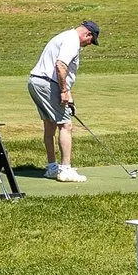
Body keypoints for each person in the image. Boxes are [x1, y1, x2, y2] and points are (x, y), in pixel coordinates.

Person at [28, 21, 98, 182]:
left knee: (50, 124)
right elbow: (60, 66)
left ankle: (52, 168)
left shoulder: (66, 36)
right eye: (91, 40)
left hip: (36, 82)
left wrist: (69, 97)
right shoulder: (72, 41)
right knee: (66, 125)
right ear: (88, 34)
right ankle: (65, 170)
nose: (90, 44)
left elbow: (61, 70)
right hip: (48, 84)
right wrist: (64, 91)